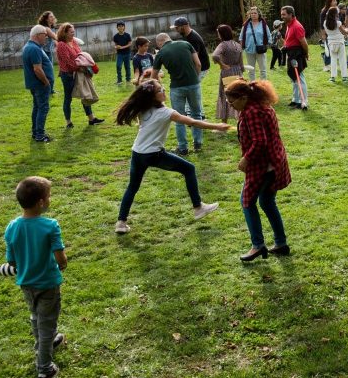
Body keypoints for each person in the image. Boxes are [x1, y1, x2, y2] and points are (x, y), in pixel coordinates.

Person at [114, 79, 224, 234]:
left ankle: (121, 222)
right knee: (189, 169)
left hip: (137, 153)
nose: (163, 91)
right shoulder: (167, 113)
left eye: (162, 88)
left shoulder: (143, 109)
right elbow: (192, 121)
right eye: (160, 90)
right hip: (153, 154)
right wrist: (217, 126)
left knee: (132, 187)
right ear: (153, 97)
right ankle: (198, 208)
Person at [4, 176, 67, 378]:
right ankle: (44, 368)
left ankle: (45, 341)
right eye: (49, 196)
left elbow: (12, 260)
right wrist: (62, 264)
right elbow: (60, 257)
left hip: (26, 283)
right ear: (41, 202)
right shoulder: (50, 225)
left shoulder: (12, 227)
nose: (50, 199)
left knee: (35, 315)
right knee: (47, 321)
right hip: (48, 284)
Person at [224, 79, 292, 262]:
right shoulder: (261, 105)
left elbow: (260, 142)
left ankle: (257, 245)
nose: (231, 106)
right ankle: (281, 243)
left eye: (232, 103)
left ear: (244, 97)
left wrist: (246, 159)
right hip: (274, 161)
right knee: (268, 203)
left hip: (263, 166)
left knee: (247, 202)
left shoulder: (251, 112)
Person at [151, 31, 203, 155]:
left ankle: (183, 147)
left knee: (179, 117)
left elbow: (153, 76)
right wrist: (195, 78)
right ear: (169, 38)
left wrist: (158, 88)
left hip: (176, 87)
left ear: (159, 43)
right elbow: (198, 63)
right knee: (196, 114)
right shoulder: (186, 44)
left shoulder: (161, 53)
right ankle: (198, 143)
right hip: (194, 84)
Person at [55, 24, 104, 128]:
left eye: (73, 31)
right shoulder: (61, 45)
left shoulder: (74, 42)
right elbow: (68, 62)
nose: (73, 33)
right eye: (71, 32)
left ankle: (91, 119)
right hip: (68, 75)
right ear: (64, 33)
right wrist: (81, 68)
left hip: (79, 73)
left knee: (85, 94)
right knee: (68, 98)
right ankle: (68, 122)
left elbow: (80, 55)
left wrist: (86, 66)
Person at [24, 26, 55, 142]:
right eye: (44, 34)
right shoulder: (34, 49)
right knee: (43, 108)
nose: (46, 37)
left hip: (36, 84)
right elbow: (37, 69)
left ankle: (35, 132)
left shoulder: (31, 47)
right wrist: (46, 82)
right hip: (40, 84)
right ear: (37, 35)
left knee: (37, 107)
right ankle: (40, 135)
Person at [211, 24, 244, 123]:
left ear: (222, 34)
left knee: (225, 95)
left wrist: (222, 64)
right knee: (238, 95)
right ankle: (241, 120)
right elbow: (241, 63)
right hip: (237, 72)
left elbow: (215, 56)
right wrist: (241, 75)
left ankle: (223, 123)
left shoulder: (223, 45)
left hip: (227, 72)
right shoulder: (237, 45)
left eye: (218, 33)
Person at [281, 6, 311, 110]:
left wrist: (306, 54)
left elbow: (304, 43)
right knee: (294, 78)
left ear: (290, 14)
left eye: (284, 14)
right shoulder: (289, 24)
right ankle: (296, 100)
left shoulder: (297, 26)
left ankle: (304, 102)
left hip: (297, 53)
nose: (282, 16)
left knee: (300, 78)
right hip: (291, 53)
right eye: (282, 14)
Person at [239, 7, 271, 81]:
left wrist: (265, 45)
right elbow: (241, 38)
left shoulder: (263, 24)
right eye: (251, 13)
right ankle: (252, 86)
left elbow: (269, 36)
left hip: (261, 50)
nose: (253, 14)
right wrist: (241, 48)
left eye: (255, 13)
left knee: (263, 70)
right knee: (251, 70)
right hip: (249, 50)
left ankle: (263, 87)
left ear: (259, 14)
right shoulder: (245, 25)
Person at [323, 6, 348, 82]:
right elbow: (343, 32)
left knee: (333, 60)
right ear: (335, 14)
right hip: (340, 42)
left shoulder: (325, 23)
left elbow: (327, 32)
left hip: (331, 43)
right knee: (342, 60)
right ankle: (344, 77)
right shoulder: (338, 23)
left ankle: (332, 77)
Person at [37, 11, 58, 95]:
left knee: (49, 71)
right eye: (50, 17)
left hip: (48, 52)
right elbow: (55, 37)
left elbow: (54, 40)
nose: (53, 18)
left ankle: (50, 90)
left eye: (53, 16)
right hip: (44, 52)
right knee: (48, 72)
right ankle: (48, 90)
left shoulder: (51, 28)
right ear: (46, 19)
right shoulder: (46, 28)